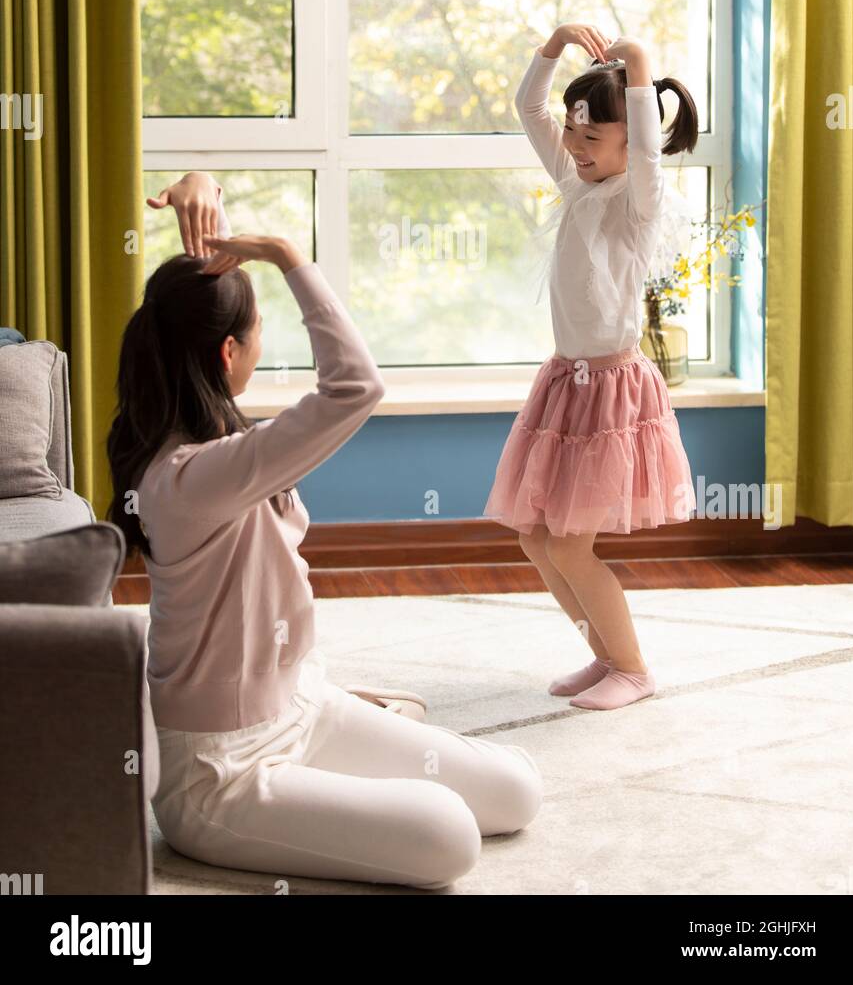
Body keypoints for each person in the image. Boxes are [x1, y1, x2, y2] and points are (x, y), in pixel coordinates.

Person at [106, 173, 542, 890]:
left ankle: (364, 727)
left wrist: (204, 185)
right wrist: (284, 255)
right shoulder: (192, 476)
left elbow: (331, 385)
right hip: (221, 771)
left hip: (302, 707)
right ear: (227, 356)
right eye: (254, 339)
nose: (257, 349)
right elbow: (356, 385)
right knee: (450, 837)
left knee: (515, 794)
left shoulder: (224, 448)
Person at [484, 24, 699, 711]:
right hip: (565, 383)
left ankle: (633, 668)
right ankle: (604, 656)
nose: (574, 146)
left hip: (611, 388)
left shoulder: (637, 202)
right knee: (537, 538)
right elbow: (528, 109)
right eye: (573, 132)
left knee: (573, 545)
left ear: (630, 146)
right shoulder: (576, 183)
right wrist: (551, 49)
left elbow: (643, 134)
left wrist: (635, 62)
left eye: (591, 136)